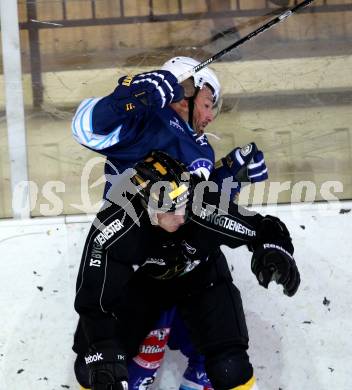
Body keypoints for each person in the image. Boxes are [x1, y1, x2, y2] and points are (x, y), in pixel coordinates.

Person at [71, 56, 268, 389]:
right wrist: (135, 95)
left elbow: (199, 209)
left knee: (228, 366)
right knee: (95, 368)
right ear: (183, 92)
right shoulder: (146, 119)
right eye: (207, 104)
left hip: (184, 265)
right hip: (134, 265)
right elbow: (86, 128)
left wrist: (232, 175)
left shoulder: (202, 148)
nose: (208, 116)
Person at [73, 150, 300, 390]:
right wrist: (104, 352)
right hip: (145, 288)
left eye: (184, 203)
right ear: (145, 203)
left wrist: (275, 250)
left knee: (231, 368)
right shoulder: (116, 224)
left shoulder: (204, 203)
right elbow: (94, 301)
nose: (181, 217)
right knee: (94, 371)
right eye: (171, 209)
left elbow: (263, 227)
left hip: (202, 280)